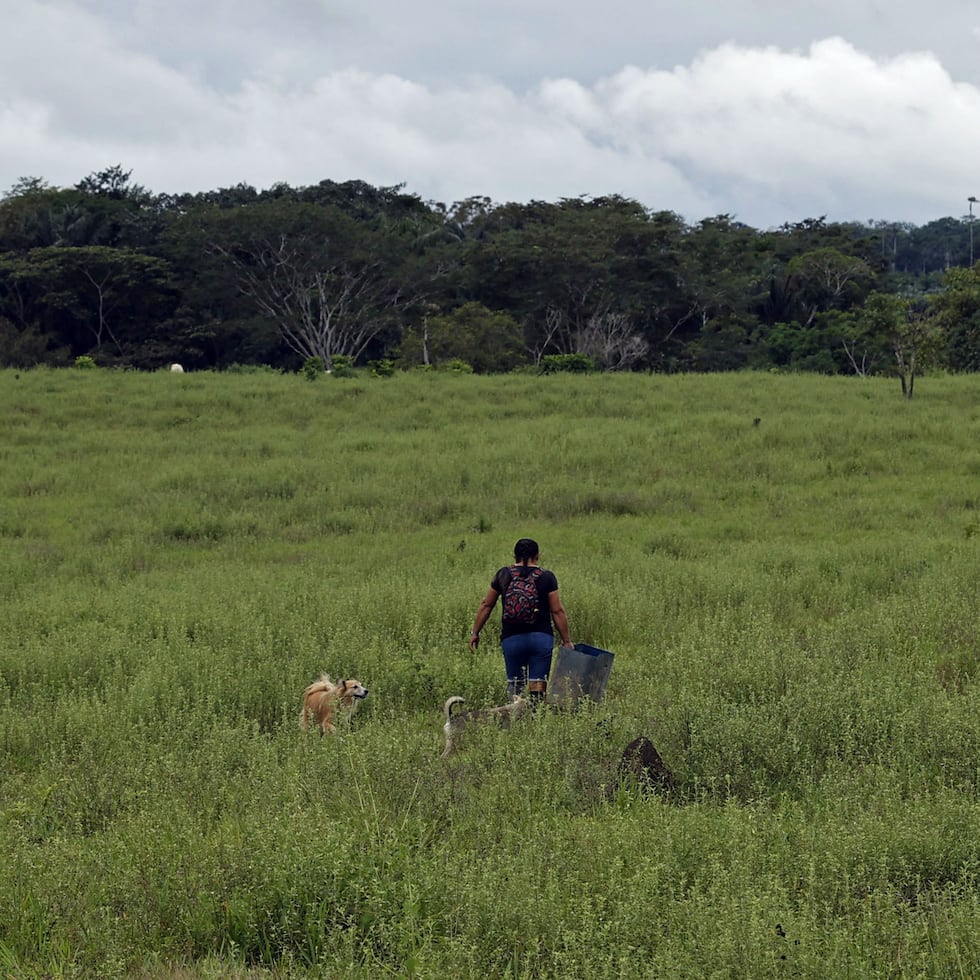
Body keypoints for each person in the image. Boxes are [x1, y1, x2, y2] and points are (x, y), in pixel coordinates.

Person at [468, 537, 573, 705]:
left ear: (514, 555)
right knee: (538, 685)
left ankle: (515, 719)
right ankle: (535, 720)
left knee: (515, 686)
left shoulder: (503, 575)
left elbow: (486, 605)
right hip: (541, 639)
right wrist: (567, 640)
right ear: (537, 556)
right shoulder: (547, 577)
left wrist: (475, 633)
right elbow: (557, 610)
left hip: (512, 639)